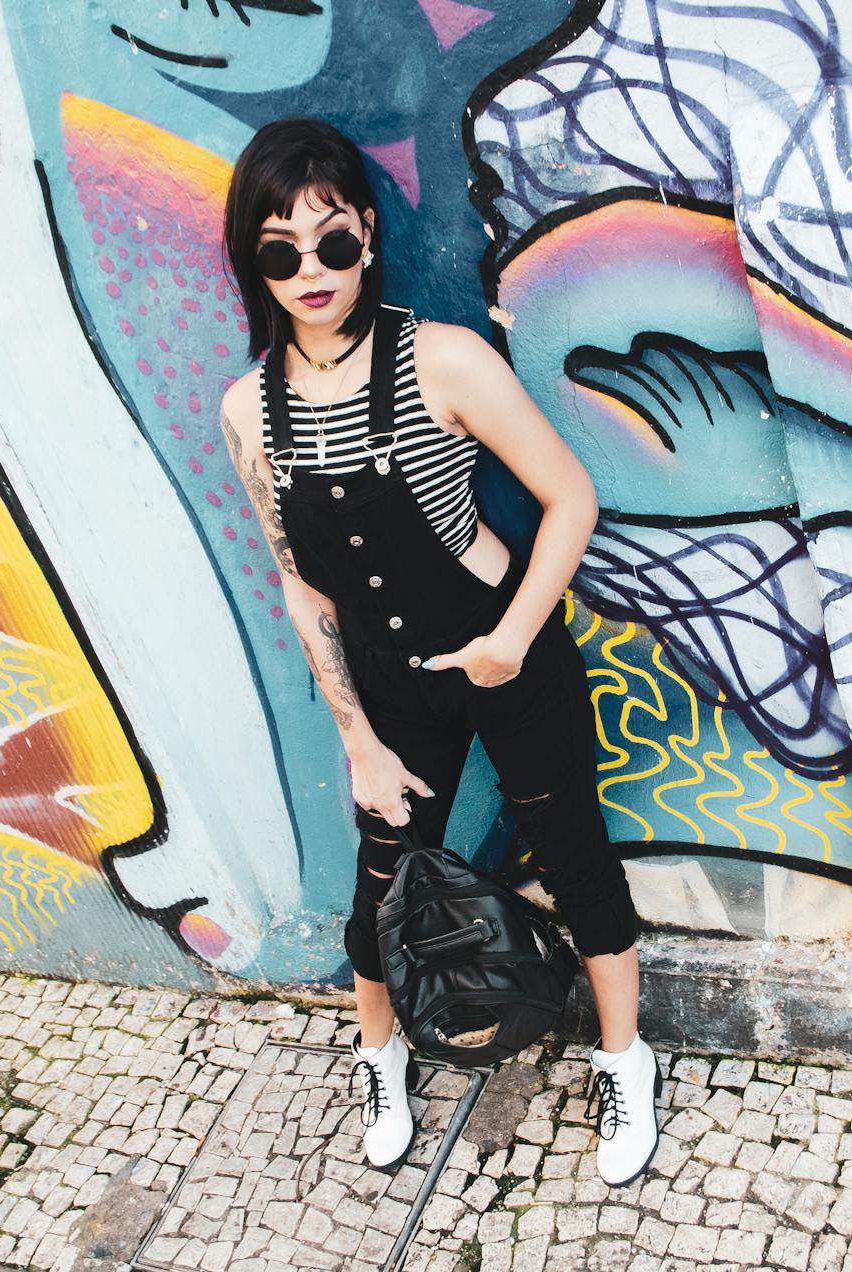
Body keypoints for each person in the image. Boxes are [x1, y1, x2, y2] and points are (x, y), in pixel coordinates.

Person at [217, 118, 659, 1186]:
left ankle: (623, 1060)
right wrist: (357, 737)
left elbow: (570, 499)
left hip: (506, 650)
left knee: (575, 859)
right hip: (387, 686)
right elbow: (302, 580)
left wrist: (511, 640)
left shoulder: (441, 359)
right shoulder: (250, 411)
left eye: (330, 240)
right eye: (280, 250)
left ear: (367, 234)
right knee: (380, 885)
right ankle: (378, 1058)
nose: (310, 270)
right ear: (255, 264)